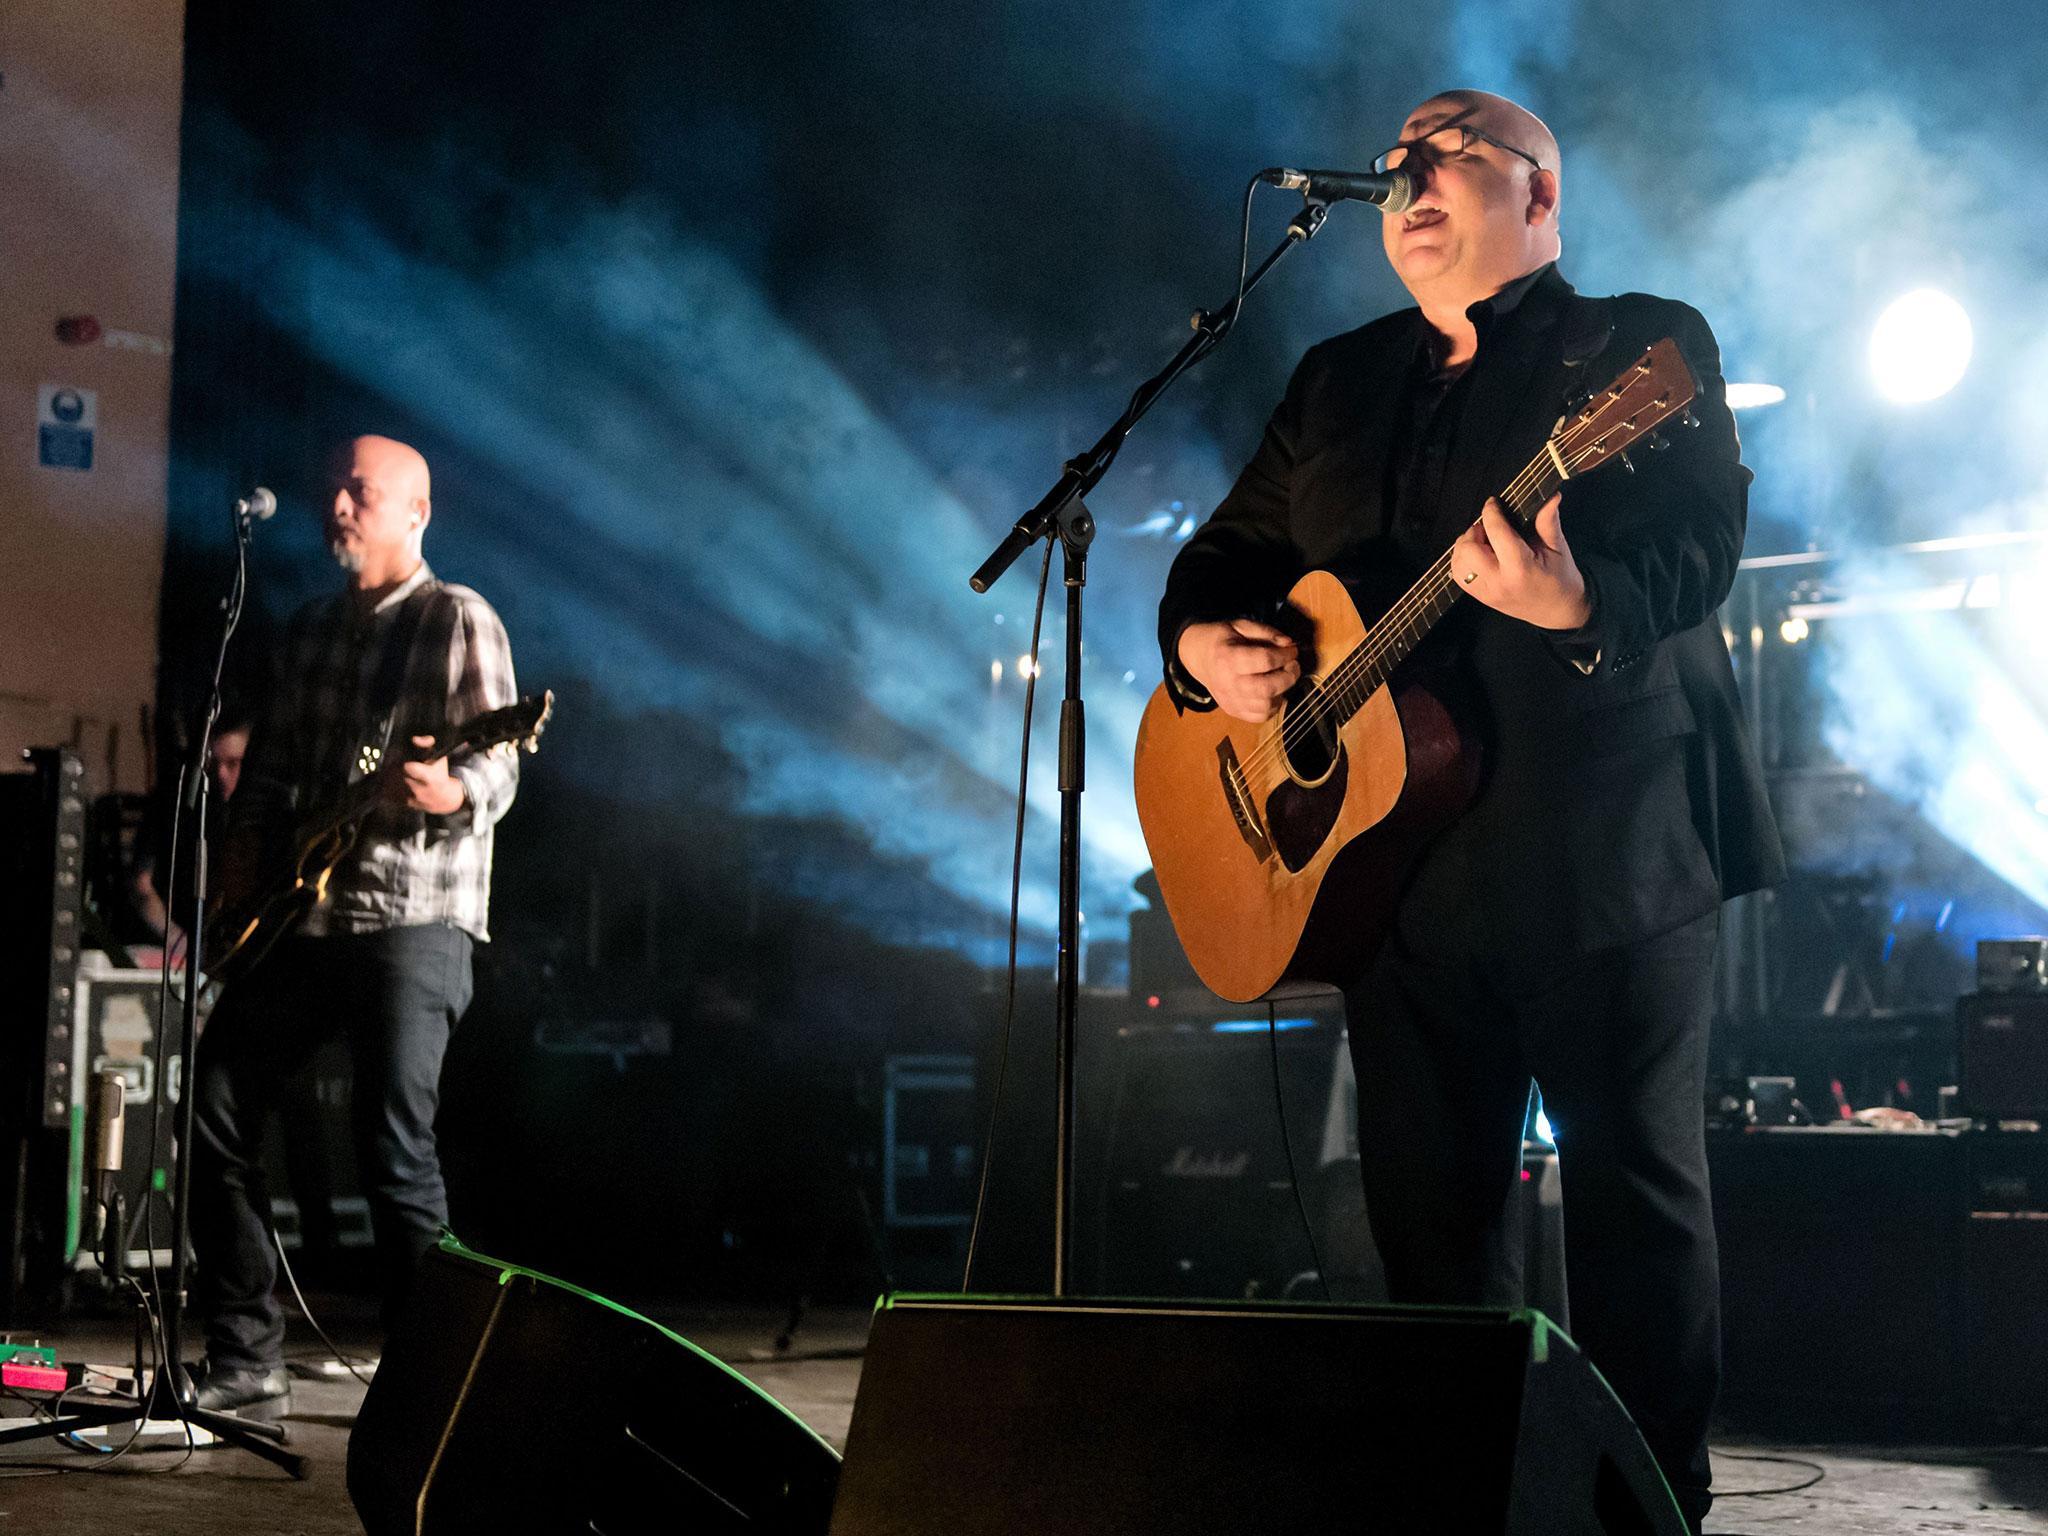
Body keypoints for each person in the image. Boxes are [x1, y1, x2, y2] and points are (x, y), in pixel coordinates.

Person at [1158, 91, 1782, 1531]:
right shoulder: (1333, 379)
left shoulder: (1638, 347)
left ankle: (1647, 1513)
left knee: (1633, 1205)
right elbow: (1222, 557)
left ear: (1540, 195)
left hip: (1603, 849)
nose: (1404, 177)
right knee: (1429, 1234)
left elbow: (1701, 548)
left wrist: (1576, 600)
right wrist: (1199, 650)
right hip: (1390, 872)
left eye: (1444, 152)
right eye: (1391, 166)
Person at [188, 434, 520, 1418]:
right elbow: (276, 777)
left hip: (413, 918)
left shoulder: (457, 619)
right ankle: (246, 1355)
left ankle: (431, 1381)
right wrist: (243, 863)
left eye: (359, 490)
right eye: (333, 483)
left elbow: (499, 764)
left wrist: (451, 784)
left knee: (392, 1149)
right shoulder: (305, 631)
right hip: (304, 917)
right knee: (209, 1109)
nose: (337, 502)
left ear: (414, 513)